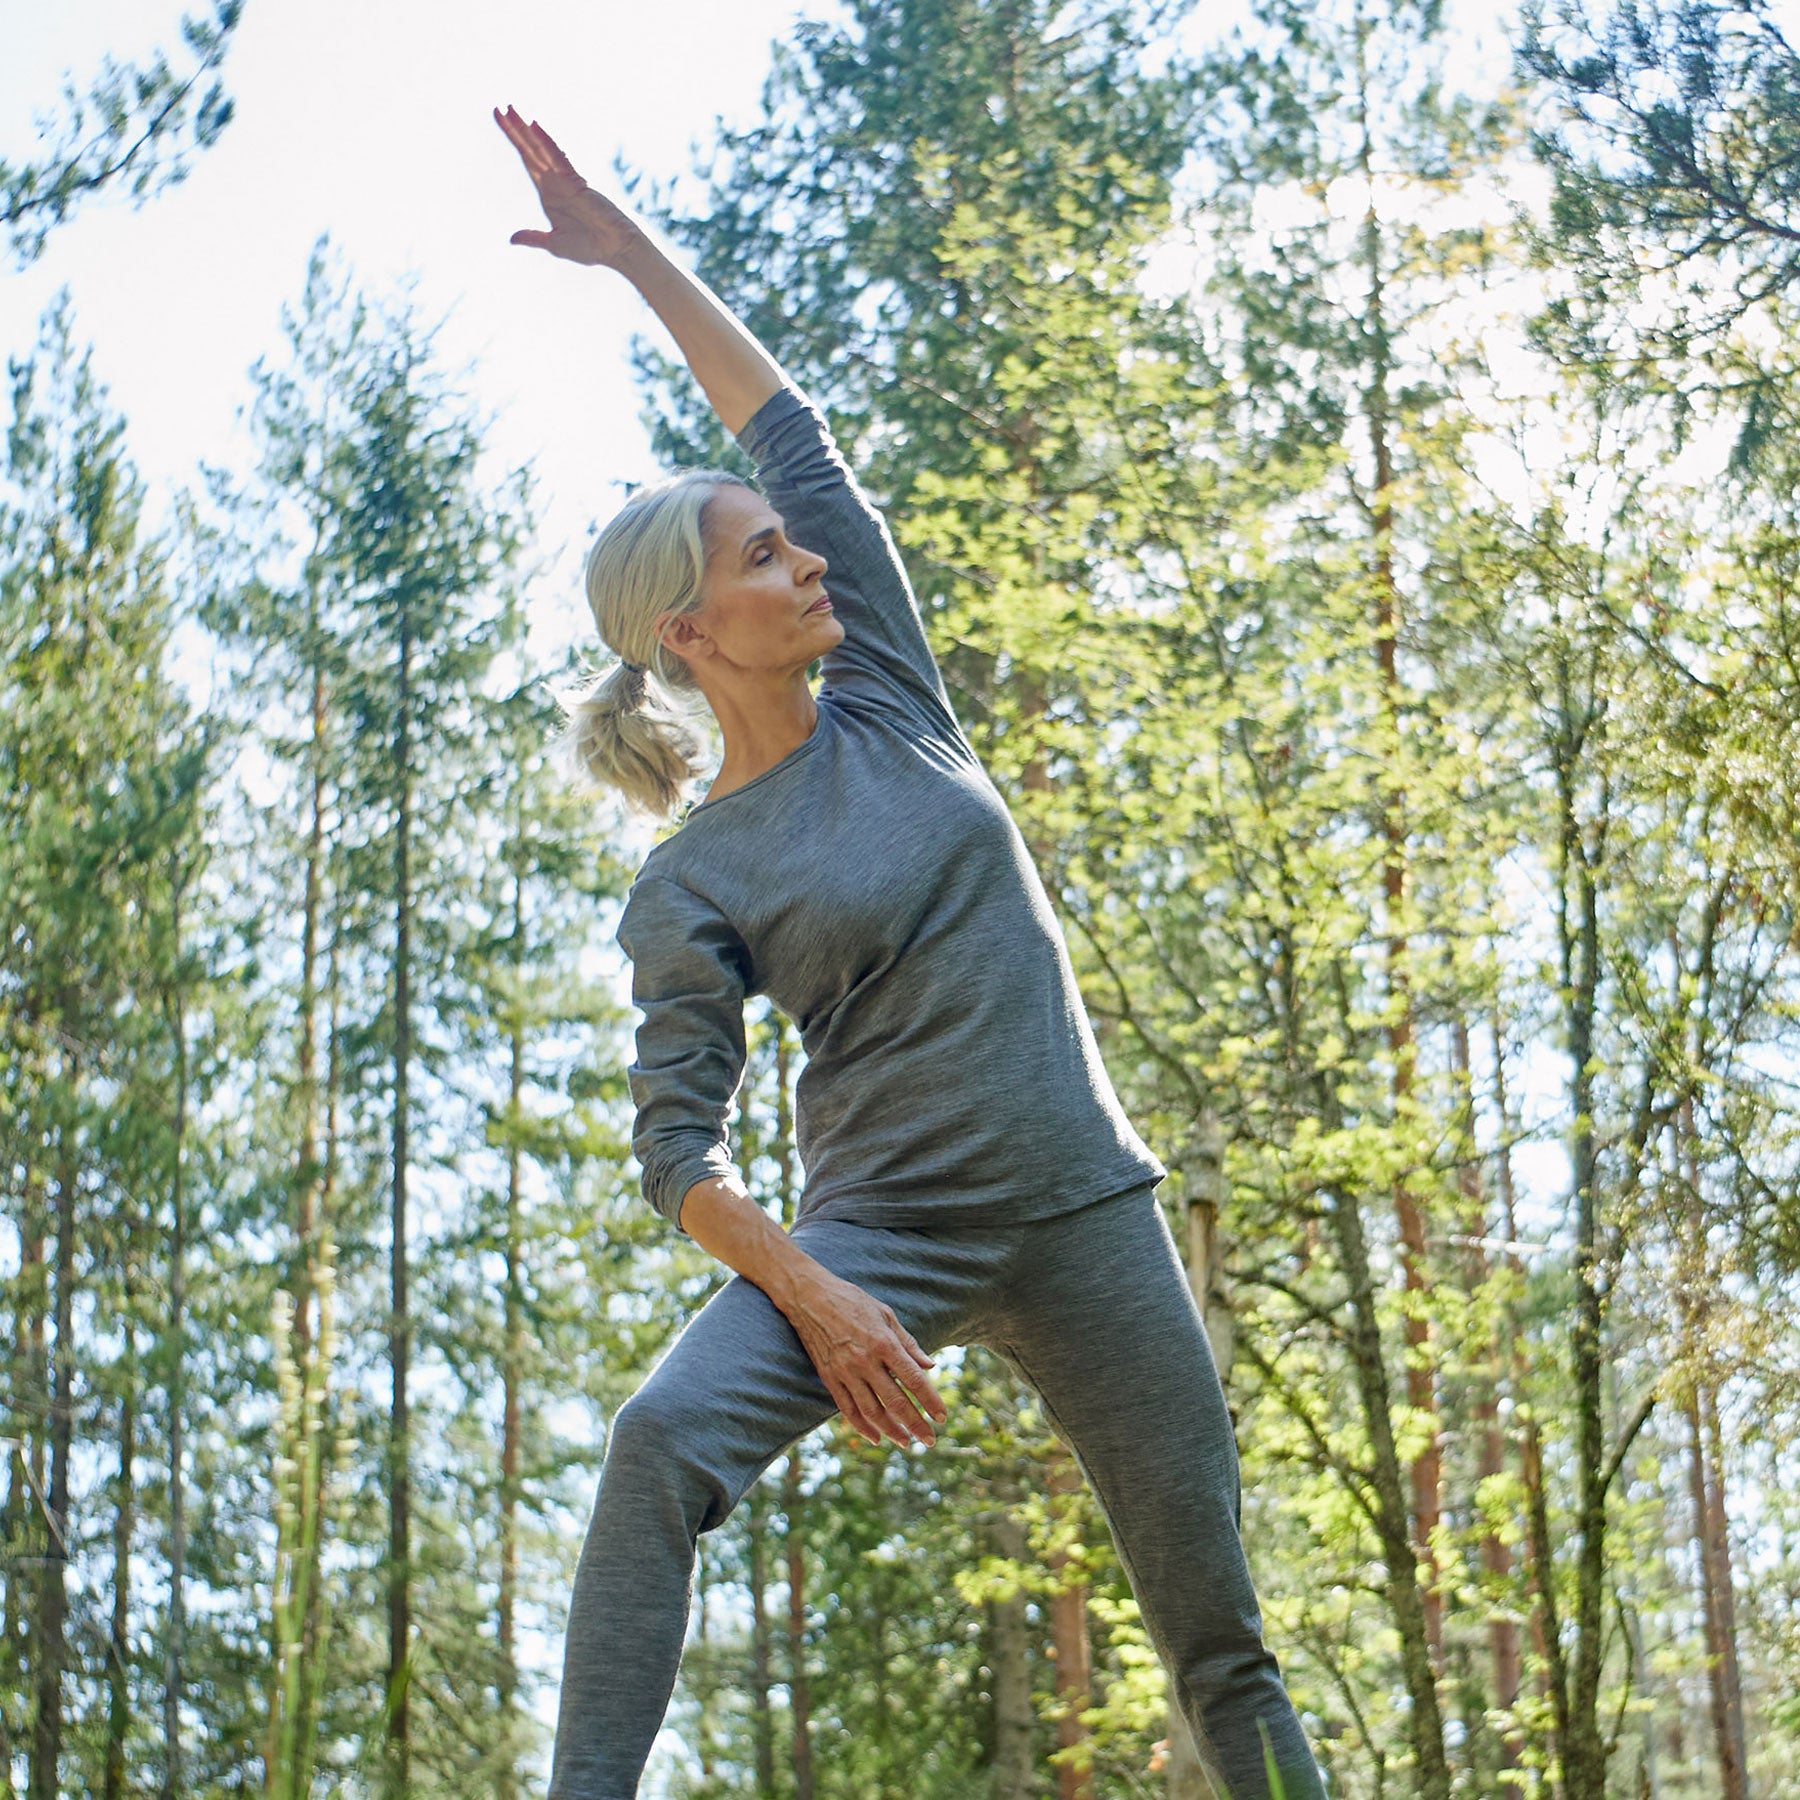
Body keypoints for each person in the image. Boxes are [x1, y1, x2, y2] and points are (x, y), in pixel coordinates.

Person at [495, 105, 1328, 1800]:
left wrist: (623, 244)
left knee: (1219, 1645)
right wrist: (814, 1289)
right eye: (764, 558)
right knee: (659, 1444)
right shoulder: (692, 879)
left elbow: (782, 422)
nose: (805, 562)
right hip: (877, 1236)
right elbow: (677, 1155)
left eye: (796, 546)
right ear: (688, 631)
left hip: (1086, 1214)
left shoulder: (887, 691)